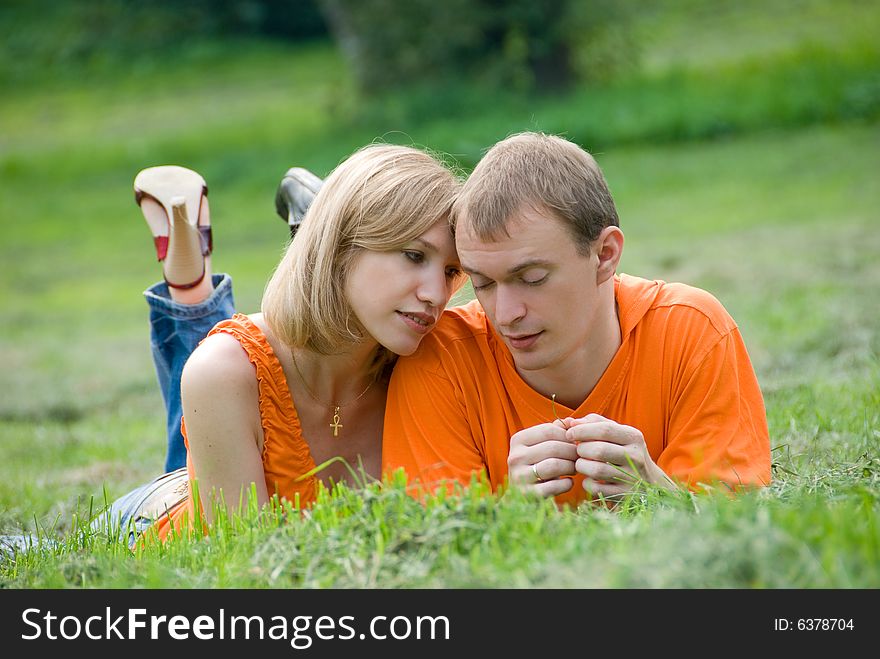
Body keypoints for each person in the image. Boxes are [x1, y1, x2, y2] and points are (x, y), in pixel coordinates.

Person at [382, 132, 771, 505]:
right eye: (482, 284)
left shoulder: (691, 330)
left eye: (532, 279)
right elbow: (435, 547)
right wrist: (511, 511)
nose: (505, 314)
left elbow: (733, 523)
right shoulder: (442, 361)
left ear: (605, 254)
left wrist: (658, 492)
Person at [109, 143, 465, 544]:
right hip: (151, 517)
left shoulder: (431, 364)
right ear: (341, 248)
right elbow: (249, 560)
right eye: (415, 255)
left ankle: (194, 289)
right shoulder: (222, 372)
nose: (437, 293)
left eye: (452, 271)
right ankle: (193, 295)